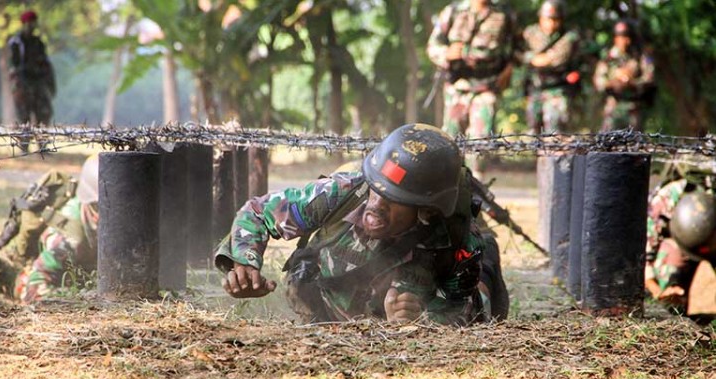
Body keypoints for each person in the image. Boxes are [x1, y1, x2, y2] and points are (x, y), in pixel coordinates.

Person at [214, 123, 509, 325]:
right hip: (334, 312)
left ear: (426, 212)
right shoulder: (342, 193)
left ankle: (491, 260)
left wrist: (422, 318)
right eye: (375, 189)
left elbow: (464, 311)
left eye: (393, 198)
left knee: (485, 293)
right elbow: (258, 211)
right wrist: (244, 262)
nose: (375, 205)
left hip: (413, 304)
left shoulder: (458, 241)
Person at [13, 154, 99, 303]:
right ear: (92, 204)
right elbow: (35, 287)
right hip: (53, 276)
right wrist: (79, 300)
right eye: (103, 206)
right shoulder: (69, 239)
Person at [426, 0, 515, 140]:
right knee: (451, 140)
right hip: (457, 86)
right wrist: (447, 53)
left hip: (487, 86)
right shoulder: (452, 11)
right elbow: (433, 45)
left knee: (481, 143)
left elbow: (516, 47)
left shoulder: (504, 14)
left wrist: (509, 69)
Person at [645, 173, 715, 323]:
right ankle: (674, 317)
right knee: (672, 259)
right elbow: (645, 260)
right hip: (676, 246)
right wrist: (659, 292)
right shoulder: (666, 200)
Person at [520, 0, 580, 134]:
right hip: (534, 89)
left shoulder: (568, 37)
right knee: (533, 132)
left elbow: (554, 60)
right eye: (548, 18)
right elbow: (518, 53)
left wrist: (535, 58)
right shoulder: (530, 33)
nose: (551, 23)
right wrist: (531, 58)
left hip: (557, 89)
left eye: (556, 19)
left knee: (555, 133)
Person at [592, 19, 655, 131]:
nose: (625, 41)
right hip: (613, 106)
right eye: (621, 37)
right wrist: (614, 82)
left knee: (634, 144)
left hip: (634, 107)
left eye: (627, 37)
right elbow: (599, 80)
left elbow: (649, 78)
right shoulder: (608, 58)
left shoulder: (640, 56)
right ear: (615, 39)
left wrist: (632, 83)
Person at [7, 10, 56, 152]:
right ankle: (23, 146)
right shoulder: (16, 42)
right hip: (23, 83)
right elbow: (13, 66)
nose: (32, 25)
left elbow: (46, 65)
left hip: (38, 83)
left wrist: (49, 84)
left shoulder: (38, 43)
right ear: (24, 23)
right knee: (23, 116)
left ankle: (42, 145)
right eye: (29, 22)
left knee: (44, 113)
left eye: (33, 22)